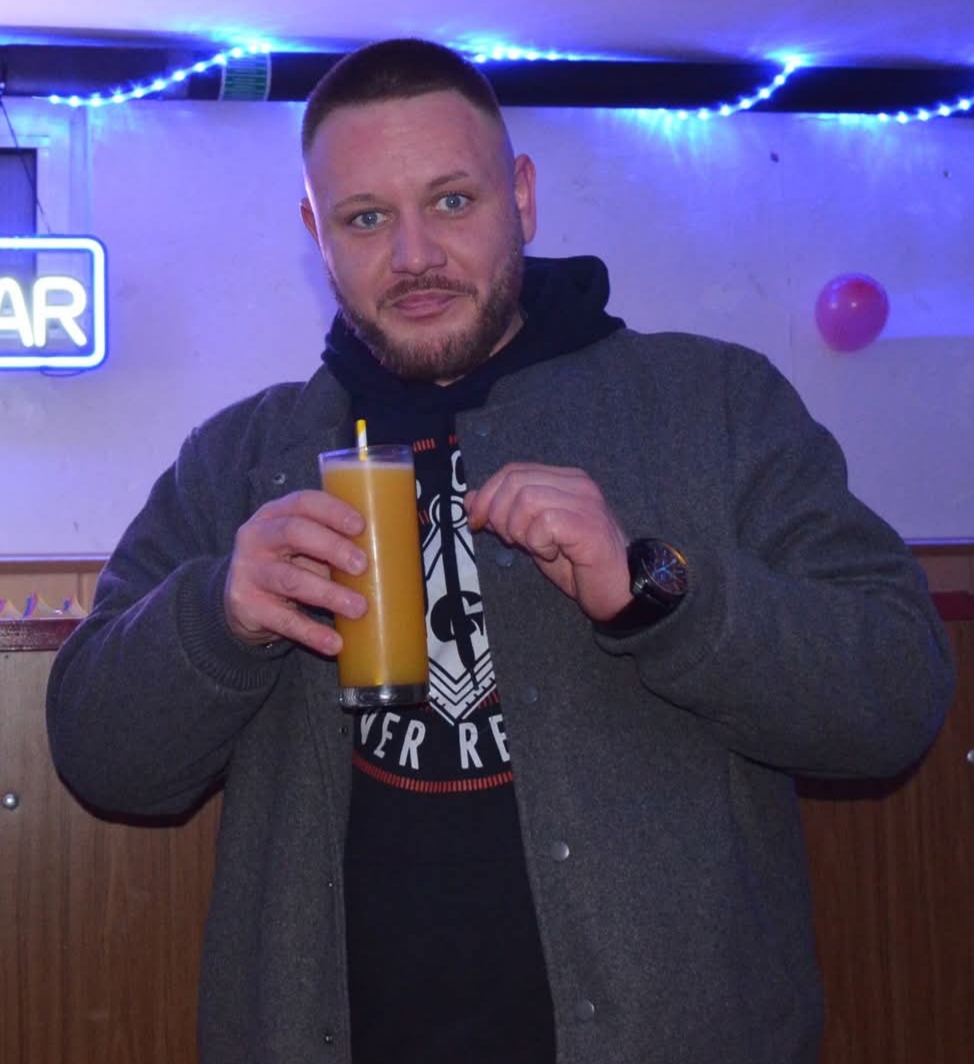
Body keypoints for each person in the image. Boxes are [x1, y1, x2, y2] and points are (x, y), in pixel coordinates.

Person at [47, 37, 954, 1064]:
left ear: (520, 196)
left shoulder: (714, 404)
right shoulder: (238, 460)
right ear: (316, 233)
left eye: (451, 201)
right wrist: (214, 616)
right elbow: (100, 757)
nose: (413, 256)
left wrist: (655, 587)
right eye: (365, 218)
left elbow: (895, 694)